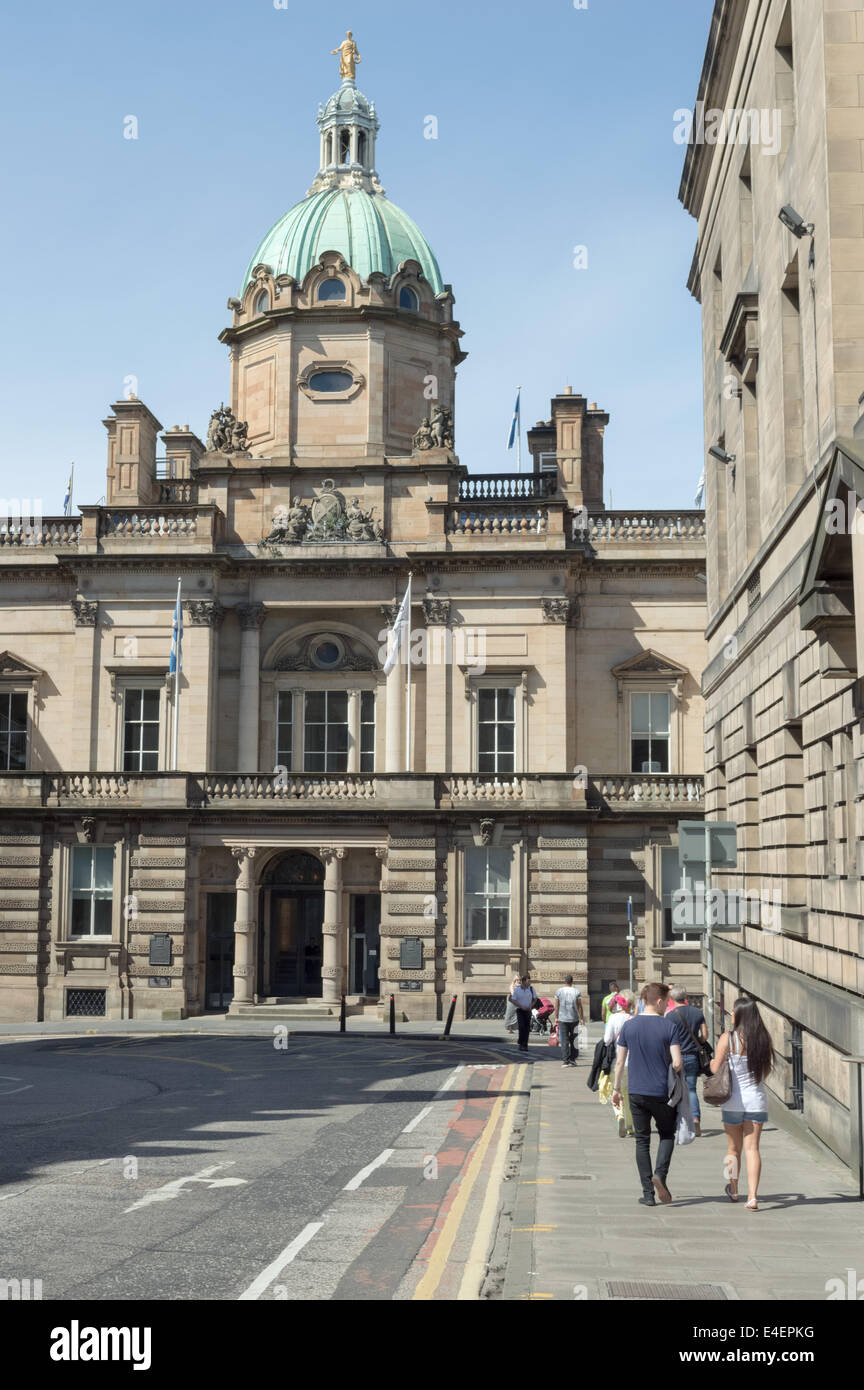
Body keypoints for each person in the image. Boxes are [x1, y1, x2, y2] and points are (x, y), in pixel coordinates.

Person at [612, 982, 683, 1206]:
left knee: (642, 1141)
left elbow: (620, 1061)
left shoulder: (629, 1026)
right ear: (659, 1001)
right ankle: (660, 1175)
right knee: (667, 1135)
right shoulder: (668, 1027)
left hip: (636, 1092)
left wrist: (615, 1089)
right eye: (667, 1001)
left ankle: (648, 1194)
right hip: (661, 1092)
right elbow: (678, 1062)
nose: (667, 1006)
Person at [710, 996, 773, 1211]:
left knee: (732, 1149)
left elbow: (714, 1069)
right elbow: (765, 1071)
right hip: (756, 1100)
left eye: (733, 1012)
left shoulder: (728, 1038)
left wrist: (711, 1061)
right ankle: (753, 1196)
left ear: (739, 1015)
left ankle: (734, 1189)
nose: (731, 1015)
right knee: (752, 1148)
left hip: (733, 1102)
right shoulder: (763, 1039)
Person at [668, 986, 708, 1137]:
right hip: (692, 1056)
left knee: (675, 1089)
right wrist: (696, 1041)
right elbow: (704, 1036)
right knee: (691, 1089)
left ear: (672, 998)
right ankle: (696, 1118)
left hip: (676, 1056)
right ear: (685, 997)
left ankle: (678, 1121)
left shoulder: (670, 1016)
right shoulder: (697, 1013)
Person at [603, 992, 636, 1135]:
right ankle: (629, 1126)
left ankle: (619, 1115)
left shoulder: (614, 1018)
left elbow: (607, 1040)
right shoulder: (635, 1019)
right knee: (629, 1095)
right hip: (633, 1063)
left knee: (615, 1092)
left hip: (617, 1061)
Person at [554, 973, 585, 1067]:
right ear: (572, 982)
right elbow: (580, 1006)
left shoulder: (559, 991)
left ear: (564, 981)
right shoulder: (576, 991)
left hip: (563, 1019)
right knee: (574, 1040)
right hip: (574, 1019)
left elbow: (556, 1005)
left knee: (564, 1040)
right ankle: (573, 1059)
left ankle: (565, 1061)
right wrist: (581, 1018)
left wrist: (556, 1017)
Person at [509, 975, 537, 1053]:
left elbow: (535, 999)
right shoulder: (517, 990)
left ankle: (525, 1044)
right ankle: (521, 1043)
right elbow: (513, 1000)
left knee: (527, 1028)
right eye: (528, 981)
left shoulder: (531, 989)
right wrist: (521, 1006)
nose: (529, 983)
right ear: (524, 981)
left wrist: (531, 1005)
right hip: (520, 1010)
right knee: (521, 1027)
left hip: (528, 1010)